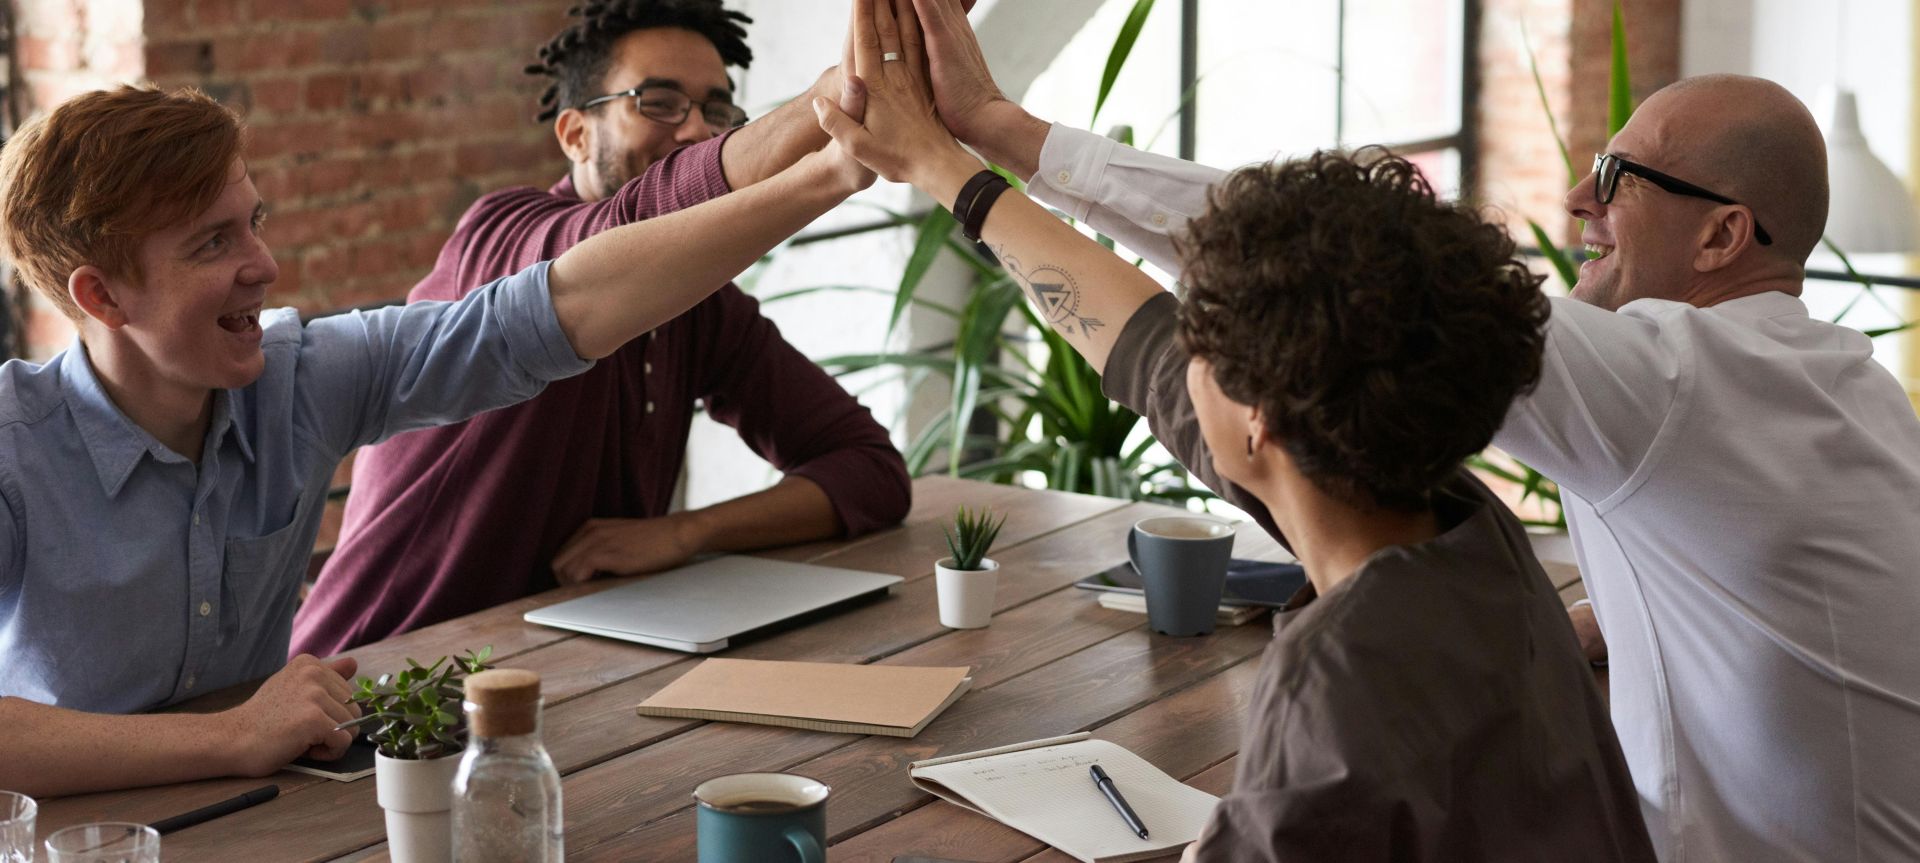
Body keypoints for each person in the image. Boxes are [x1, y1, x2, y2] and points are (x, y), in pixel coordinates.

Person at [896, 2, 1920, 858]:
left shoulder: (1670, 385)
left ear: (1722, 234)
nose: (1576, 197)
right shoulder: (1842, 389)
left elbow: (1306, 270)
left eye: (1615, 178)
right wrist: (1580, 629)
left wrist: (1003, 140)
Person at [810, 1, 1655, 859]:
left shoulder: (1341, 675)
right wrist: (947, 166)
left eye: (1203, 340)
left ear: (1261, 420)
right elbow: (1139, 344)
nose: (1182, 354)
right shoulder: (1466, 532)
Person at [0, 74, 873, 797]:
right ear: (103, 297)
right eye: (212, 242)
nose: (264, 265)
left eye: (255, 220)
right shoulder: (14, 446)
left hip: (272, 819)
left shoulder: (300, 377)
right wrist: (232, 734)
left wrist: (827, 175)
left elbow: (551, 310)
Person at [290, 0, 916, 657]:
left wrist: (685, 533)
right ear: (574, 135)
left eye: (716, 109)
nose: (698, 130)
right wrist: (832, 99)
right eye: (659, 101)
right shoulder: (505, 237)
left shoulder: (703, 306)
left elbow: (870, 471)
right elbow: (639, 221)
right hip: (373, 684)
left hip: (566, 675)